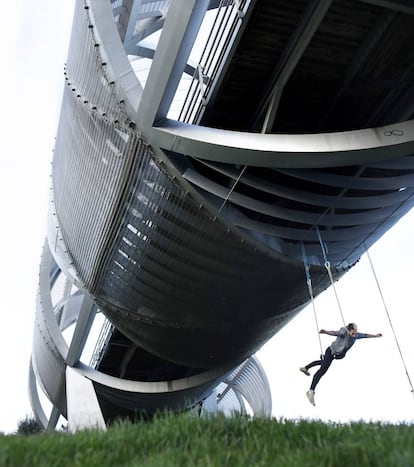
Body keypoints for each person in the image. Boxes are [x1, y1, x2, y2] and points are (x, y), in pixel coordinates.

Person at [300, 323, 382, 406]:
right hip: (331, 351)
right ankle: (311, 391)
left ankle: (306, 368)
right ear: (349, 330)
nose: (354, 335)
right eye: (352, 333)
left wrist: (375, 335)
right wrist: (326, 332)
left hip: (339, 355)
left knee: (324, 363)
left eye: (355, 333)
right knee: (323, 369)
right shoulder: (344, 331)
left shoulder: (356, 335)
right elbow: (335, 333)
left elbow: (365, 335)